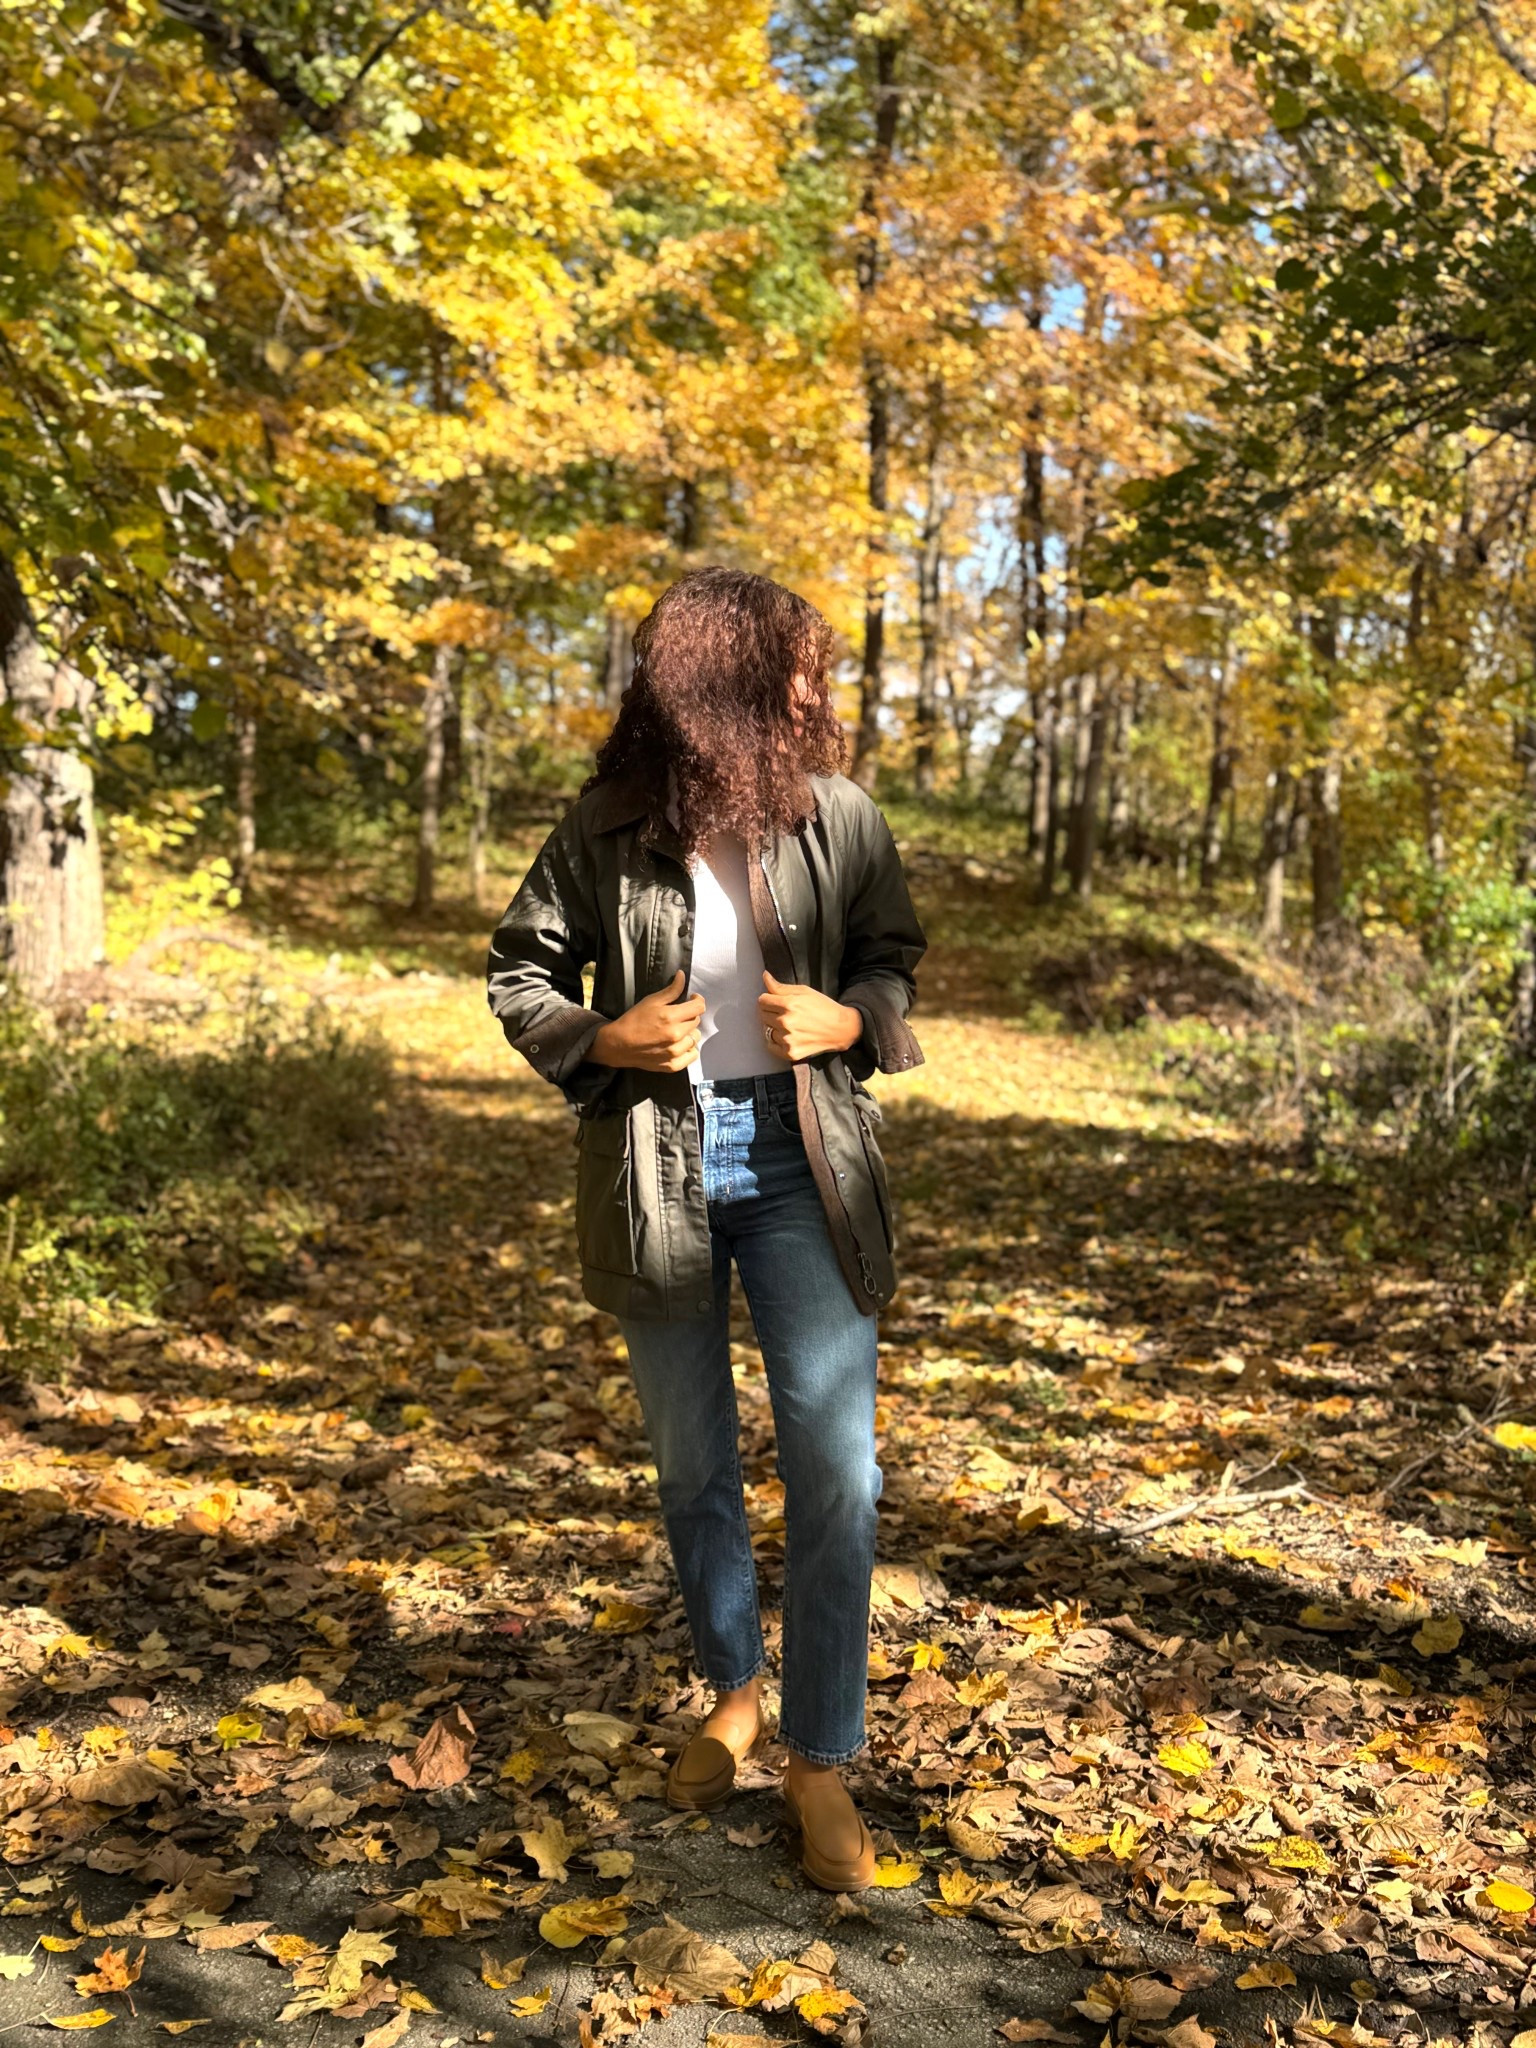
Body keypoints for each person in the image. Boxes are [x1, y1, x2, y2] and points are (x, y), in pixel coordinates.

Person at [486, 566, 927, 1891]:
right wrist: (597, 1036)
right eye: (792, 669)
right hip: (657, 1165)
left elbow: (894, 957)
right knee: (694, 1467)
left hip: (803, 1167)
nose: (816, 690)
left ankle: (820, 1760)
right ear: (719, 687)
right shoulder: (606, 826)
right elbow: (521, 965)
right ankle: (732, 1692)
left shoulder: (840, 819)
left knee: (837, 1474)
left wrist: (852, 1021)